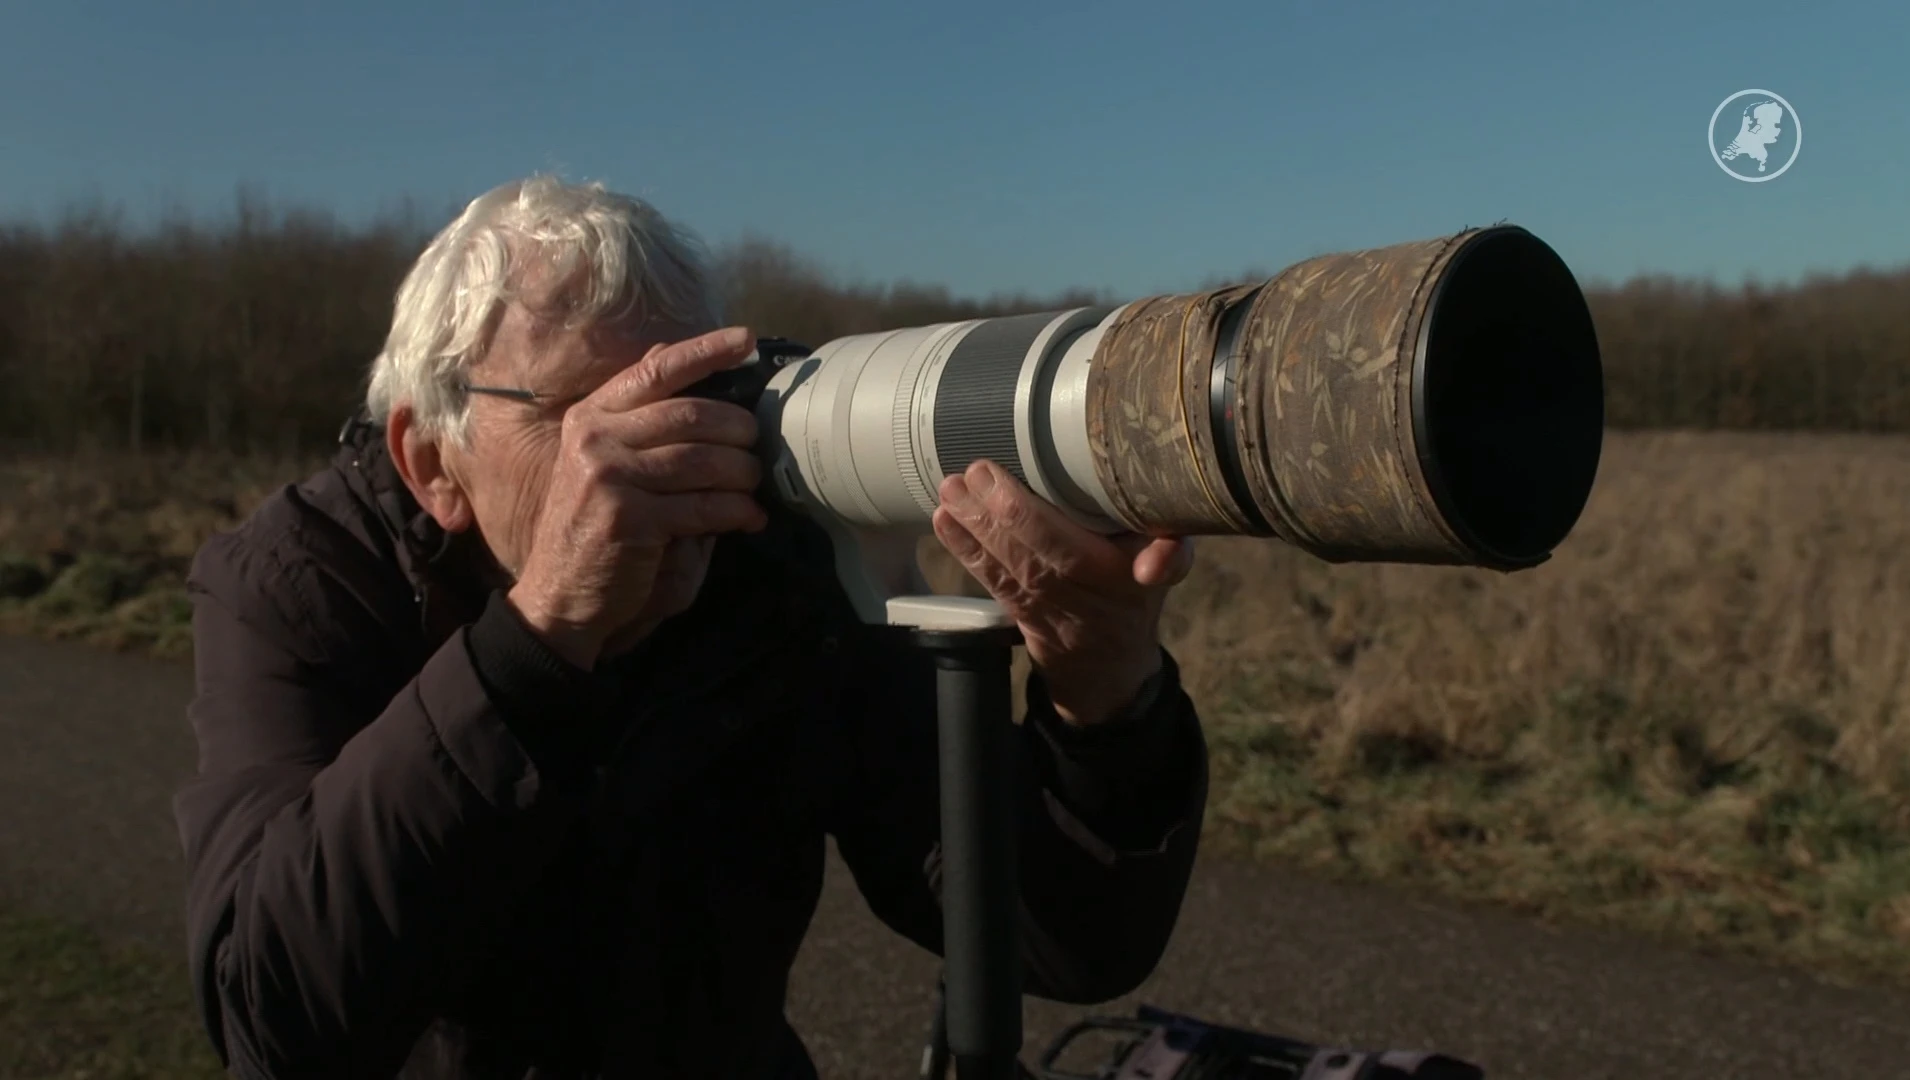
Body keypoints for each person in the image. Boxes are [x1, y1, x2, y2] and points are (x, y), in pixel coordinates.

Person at [172, 175, 1209, 1079]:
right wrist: (538, 645)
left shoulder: (767, 568)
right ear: (433, 461)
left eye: (701, 393)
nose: (668, 450)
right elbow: (278, 1021)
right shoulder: (305, 580)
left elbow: (1058, 941)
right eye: (595, 413)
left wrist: (1104, 699)